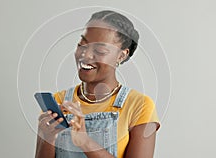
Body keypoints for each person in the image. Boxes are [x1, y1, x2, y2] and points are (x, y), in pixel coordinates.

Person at [35, 10, 160, 158]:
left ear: (121, 55)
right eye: (82, 45)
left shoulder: (140, 106)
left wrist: (85, 142)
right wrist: (48, 138)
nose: (86, 55)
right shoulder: (59, 102)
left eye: (100, 50)